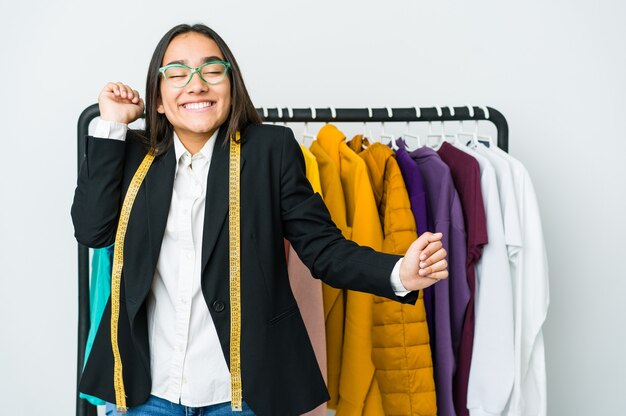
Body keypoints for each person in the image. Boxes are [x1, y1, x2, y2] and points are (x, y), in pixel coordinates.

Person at [72, 23, 449, 416]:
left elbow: (322, 248)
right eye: (178, 73)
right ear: (160, 99)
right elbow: (92, 229)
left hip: (240, 396)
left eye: (212, 70)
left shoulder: (272, 151)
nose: (197, 84)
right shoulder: (132, 154)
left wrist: (399, 273)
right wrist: (113, 123)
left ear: (231, 86)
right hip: (146, 392)